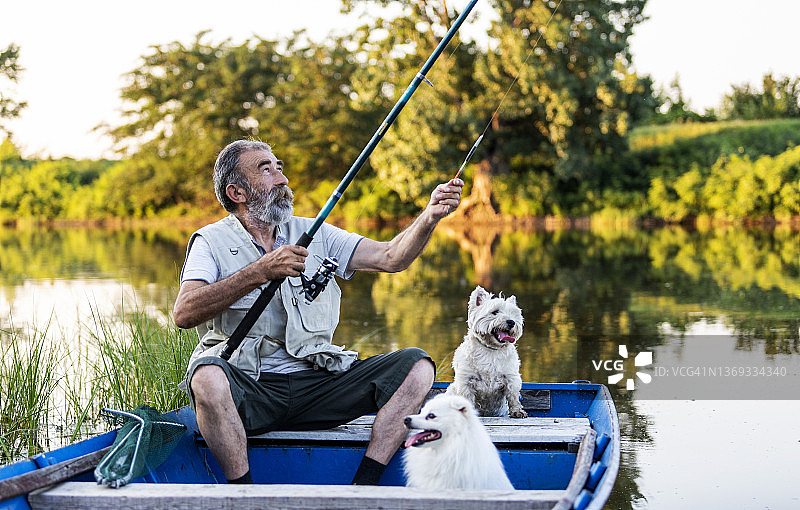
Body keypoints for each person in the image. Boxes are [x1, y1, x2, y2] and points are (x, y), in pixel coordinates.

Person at [174, 139, 463, 485]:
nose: (281, 178)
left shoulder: (315, 232)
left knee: (417, 367)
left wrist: (429, 216)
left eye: (279, 167)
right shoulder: (210, 241)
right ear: (237, 192)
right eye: (266, 170)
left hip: (318, 384)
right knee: (205, 376)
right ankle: (244, 495)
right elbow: (184, 312)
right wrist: (260, 271)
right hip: (251, 389)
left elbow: (391, 256)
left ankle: (364, 485)